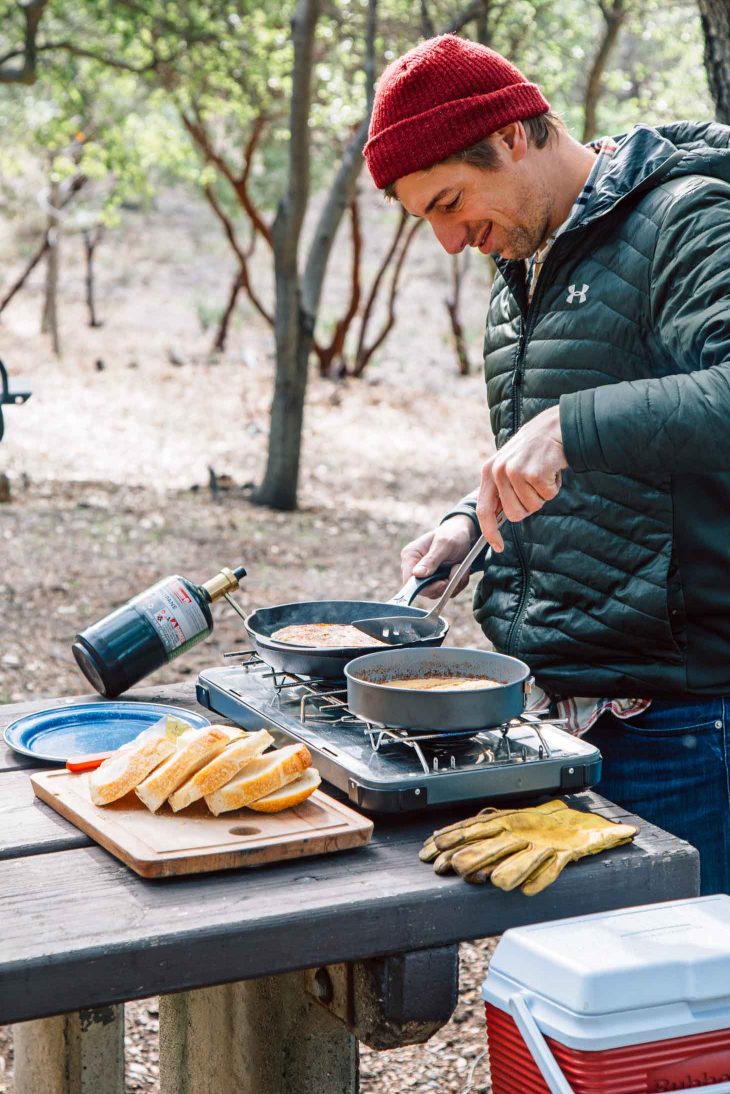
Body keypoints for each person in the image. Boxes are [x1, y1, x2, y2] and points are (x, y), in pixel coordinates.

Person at [363, 33, 730, 895]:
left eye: (450, 201)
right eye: (429, 219)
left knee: (682, 1014)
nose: (450, 240)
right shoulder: (520, 251)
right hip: (560, 719)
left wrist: (566, 427)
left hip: (679, 727)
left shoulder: (686, 219)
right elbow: (579, 447)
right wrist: (473, 515)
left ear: (516, 136)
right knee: (588, 1005)